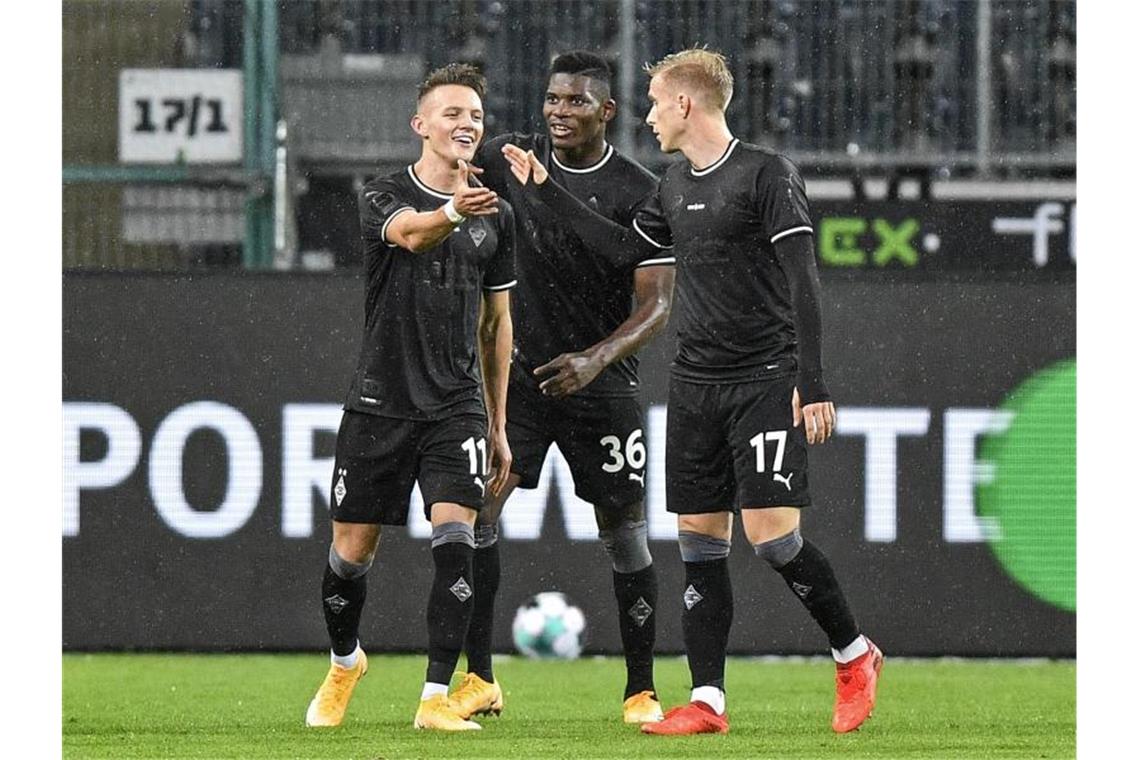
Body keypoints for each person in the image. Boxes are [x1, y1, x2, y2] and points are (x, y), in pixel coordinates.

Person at [516, 47, 883, 736]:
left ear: (685, 103)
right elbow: (623, 249)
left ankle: (854, 654)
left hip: (765, 379)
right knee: (698, 542)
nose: (649, 115)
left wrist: (814, 381)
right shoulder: (672, 183)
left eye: (656, 102)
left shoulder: (767, 175)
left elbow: (804, 282)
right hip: (694, 383)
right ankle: (707, 701)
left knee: (773, 540)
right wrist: (543, 190)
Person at [444, 51, 677, 725]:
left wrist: (596, 359)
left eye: (576, 101)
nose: (558, 111)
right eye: (552, 99)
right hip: (518, 382)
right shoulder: (504, 163)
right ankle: (479, 678)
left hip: (601, 386)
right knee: (478, 515)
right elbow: (448, 189)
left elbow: (658, 305)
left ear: (606, 111)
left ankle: (640, 690)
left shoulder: (639, 190)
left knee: (625, 535)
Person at [304, 62, 517, 733]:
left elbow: (496, 324)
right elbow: (415, 233)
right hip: (379, 401)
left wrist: (498, 423)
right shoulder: (383, 195)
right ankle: (345, 662)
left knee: (455, 538)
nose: (466, 124)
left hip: (455, 406)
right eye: (452, 113)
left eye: (476, 116)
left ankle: (434, 698)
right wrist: (455, 208)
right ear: (420, 124)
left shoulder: (497, 218)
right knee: (350, 556)